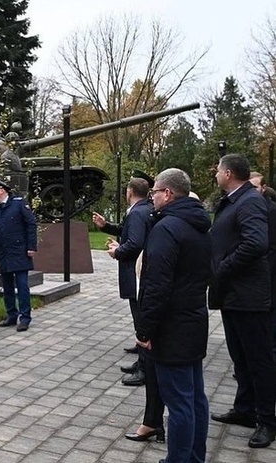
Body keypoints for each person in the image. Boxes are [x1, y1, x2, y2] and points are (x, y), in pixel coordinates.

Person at [135, 168, 211, 463]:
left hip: (171, 326)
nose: (151, 197)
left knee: (179, 403)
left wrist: (145, 330)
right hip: (193, 320)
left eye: (154, 191)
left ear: (167, 194)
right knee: (195, 398)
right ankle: (194, 457)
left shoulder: (167, 229)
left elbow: (156, 285)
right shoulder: (199, 225)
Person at [210, 155, 276, 449]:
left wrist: (222, 267)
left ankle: (267, 421)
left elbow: (255, 243)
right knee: (240, 357)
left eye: (218, 171)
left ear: (228, 173)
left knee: (259, 360)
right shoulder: (234, 200)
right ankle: (245, 409)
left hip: (248, 295)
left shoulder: (249, 200)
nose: (215, 175)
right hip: (233, 294)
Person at [92, 177, 154, 387]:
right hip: (140, 270)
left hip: (136, 272)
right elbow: (129, 232)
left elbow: (135, 242)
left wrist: (117, 252)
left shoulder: (137, 212)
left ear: (129, 191)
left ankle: (145, 369)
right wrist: (106, 226)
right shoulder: (144, 209)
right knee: (140, 318)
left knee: (140, 317)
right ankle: (141, 360)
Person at [0, 178, 37, 332]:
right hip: (4, 254)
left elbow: (31, 224)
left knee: (22, 286)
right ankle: (11, 315)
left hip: (20, 252)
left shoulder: (19, 204)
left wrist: (31, 246)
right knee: (7, 287)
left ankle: (25, 318)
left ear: (2, 190)